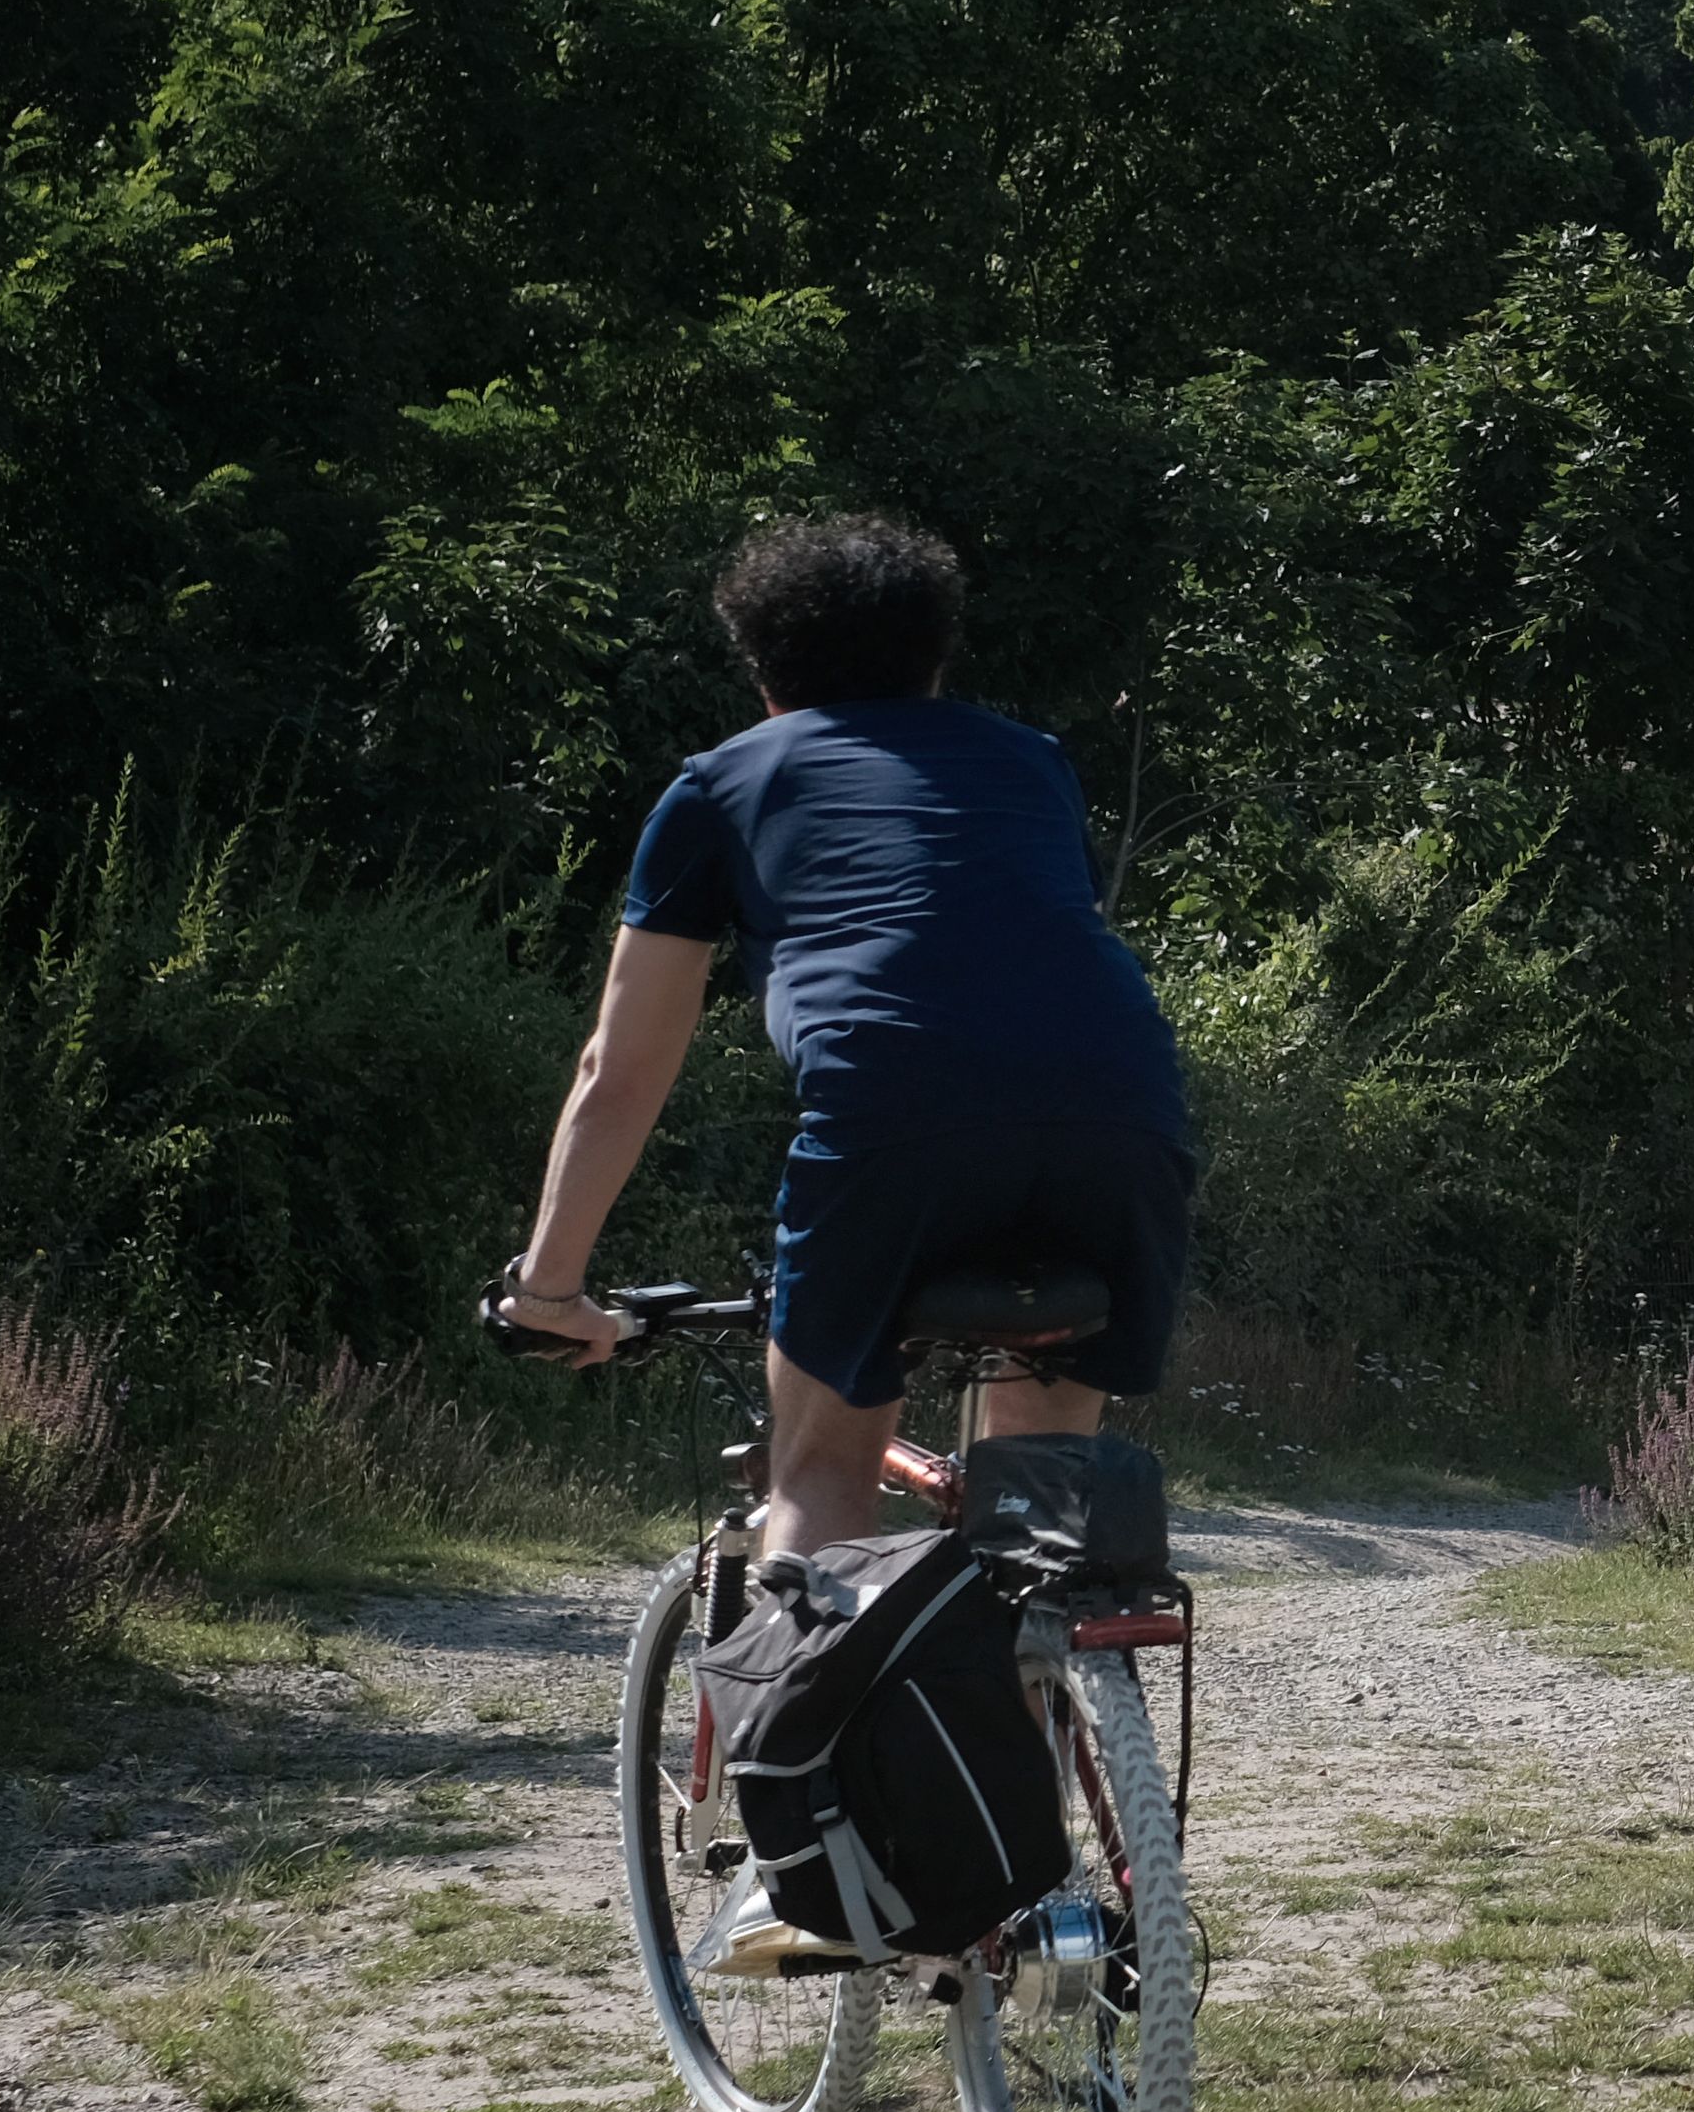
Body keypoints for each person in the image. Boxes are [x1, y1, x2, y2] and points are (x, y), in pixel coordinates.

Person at [494, 514, 1197, 1569]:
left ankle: (811, 1731)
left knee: (821, 1472)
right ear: (936, 657)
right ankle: (1053, 1696)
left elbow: (619, 1070)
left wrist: (550, 1293)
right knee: (1047, 1487)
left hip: (896, 1119)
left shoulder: (723, 785)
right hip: (1126, 1110)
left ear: (762, 671)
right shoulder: (1033, 764)